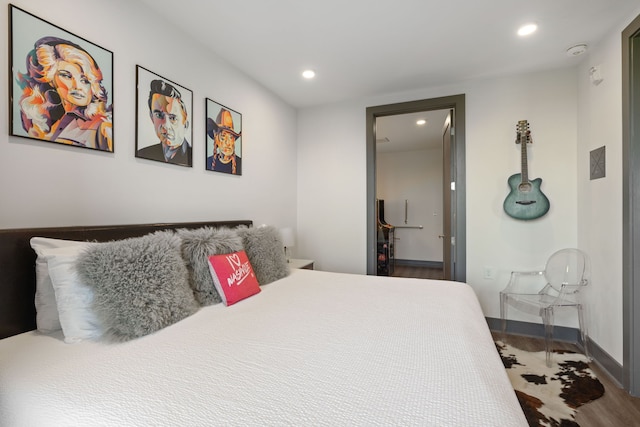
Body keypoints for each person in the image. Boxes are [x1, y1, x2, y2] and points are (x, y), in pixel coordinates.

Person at [17, 37, 113, 151]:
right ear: (51, 79)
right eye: (66, 76)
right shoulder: (51, 122)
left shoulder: (102, 126)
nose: (77, 86)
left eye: (85, 80)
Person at [137, 79, 192, 166]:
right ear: (152, 118)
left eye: (173, 118)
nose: (166, 125)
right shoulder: (143, 154)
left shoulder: (194, 158)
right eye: (159, 115)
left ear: (185, 125)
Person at [206, 108, 242, 174]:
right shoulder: (208, 162)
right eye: (223, 137)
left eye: (231, 137)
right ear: (216, 139)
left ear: (234, 140)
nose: (227, 143)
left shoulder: (241, 164)